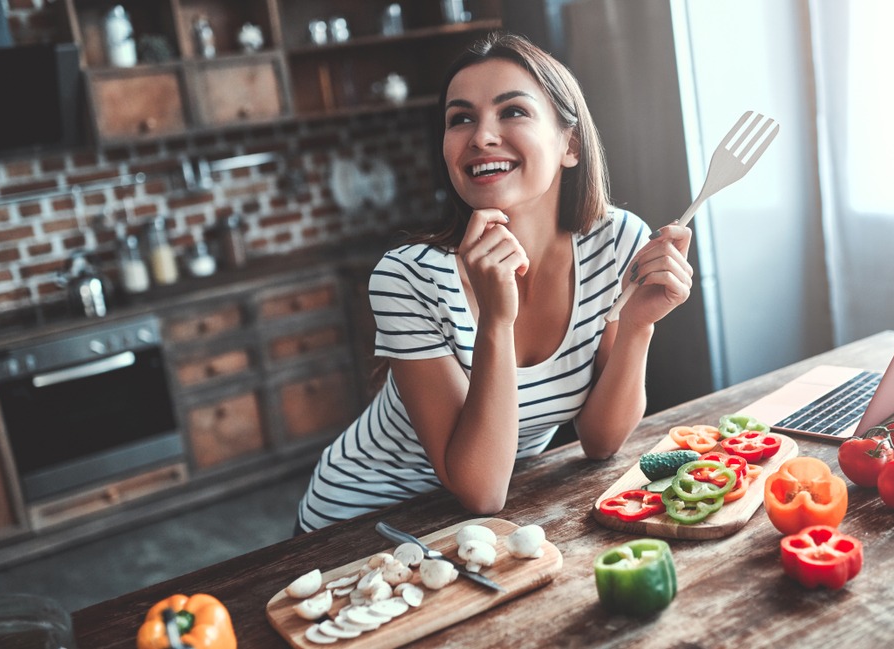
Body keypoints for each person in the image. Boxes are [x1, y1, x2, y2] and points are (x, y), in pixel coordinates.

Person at [295, 32, 693, 532]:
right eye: (460, 118)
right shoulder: (407, 278)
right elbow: (481, 489)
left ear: (569, 144)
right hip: (358, 522)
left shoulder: (614, 242)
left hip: (490, 515)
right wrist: (497, 322)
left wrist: (637, 325)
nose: (481, 136)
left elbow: (601, 441)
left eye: (513, 112)